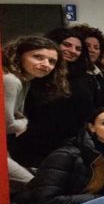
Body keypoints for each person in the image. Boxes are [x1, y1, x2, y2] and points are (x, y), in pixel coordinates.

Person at [4, 36, 65, 184]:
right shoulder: (11, 81)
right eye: (38, 57)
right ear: (19, 55)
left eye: (52, 61)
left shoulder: (25, 81)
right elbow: (8, 126)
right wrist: (23, 123)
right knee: (34, 186)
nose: (46, 65)